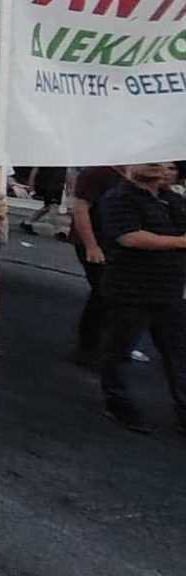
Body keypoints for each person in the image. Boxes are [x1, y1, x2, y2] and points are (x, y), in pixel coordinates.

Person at [94, 162, 186, 433]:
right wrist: (180, 242)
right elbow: (129, 237)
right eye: (151, 159)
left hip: (169, 289)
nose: (159, 165)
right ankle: (117, 403)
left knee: (179, 353)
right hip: (130, 288)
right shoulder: (118, 197)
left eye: (164, 160)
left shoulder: (172, 200)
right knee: (118, 348)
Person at [68, 165, 125, 369]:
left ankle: (107, 345)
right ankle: (89, 347)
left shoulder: (131, 176)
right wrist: (91, 245)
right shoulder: (98, 173)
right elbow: (81, 209)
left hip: (113, 244)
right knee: (102, 292)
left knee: (111, 294)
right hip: (93, 241)